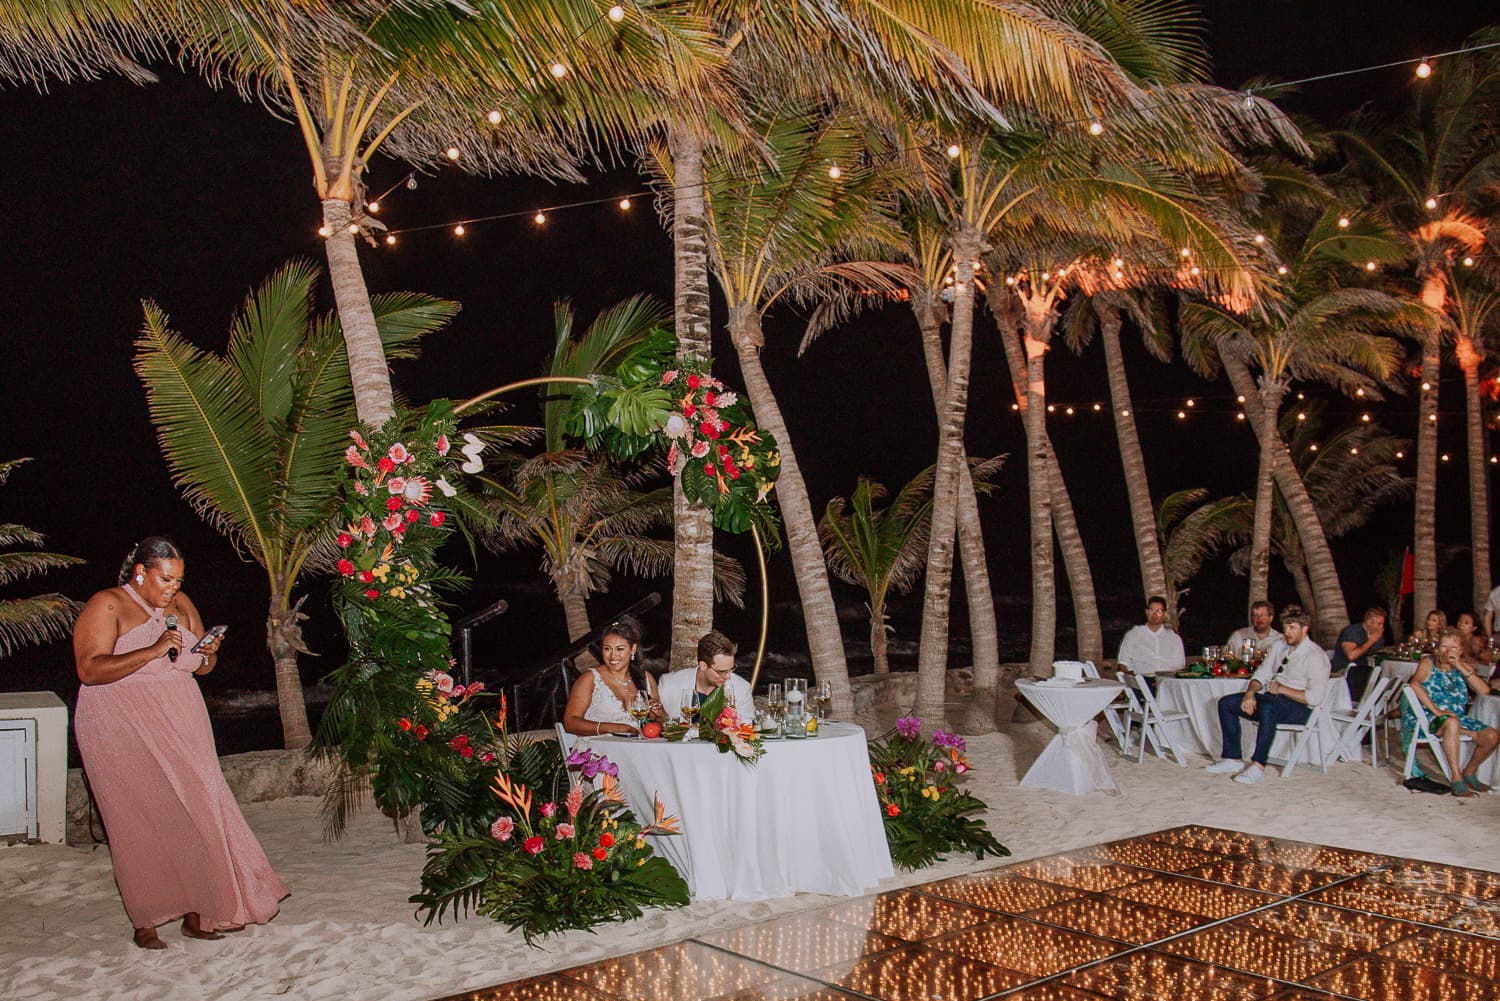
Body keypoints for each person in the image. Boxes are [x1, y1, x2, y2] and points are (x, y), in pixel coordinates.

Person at [72, 537, 288, 950]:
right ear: (141, 573)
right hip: (119, 725)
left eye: (179, 579)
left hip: (182, 720)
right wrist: (153, 650)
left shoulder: (183, 604)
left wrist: (208, 653)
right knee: (137, 820)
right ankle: (146, 920)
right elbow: (89, 669)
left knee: (199, 809)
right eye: (166, 579)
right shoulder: (109, 604)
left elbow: (202, 668)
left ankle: (199, 910)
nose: (173, 587)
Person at [1205, 604, 1330, 785]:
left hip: (1301, 708)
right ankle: (1232, 759)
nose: (1287, 632)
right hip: (1273, 700)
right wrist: (1250, 694)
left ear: (1305, 629)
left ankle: (1258, 766)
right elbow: (1262, 674)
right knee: (1227, 703)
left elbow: (1314, 698)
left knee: (1268, 708)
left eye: (1292, 628)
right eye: (1286, 627)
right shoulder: (1280, 645)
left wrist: (1281, 689)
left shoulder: (1315, 656)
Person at [1401, 628, 1498, 796]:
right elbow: (1414, 684)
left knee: (1492, 736)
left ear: (1460, 650)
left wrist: (1460, 666)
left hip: (1455, 719)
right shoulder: (1428, 662)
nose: (1448, 651)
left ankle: (1469, 772)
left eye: (1453, 647)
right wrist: (1437, 711)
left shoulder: (1463, 667)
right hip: (1429, 718)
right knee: (1451, 722)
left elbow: (1484, 690)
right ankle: (1456, 778)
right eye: (1444, 646)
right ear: (1437, 649)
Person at [562, 615, 664, 737]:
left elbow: (657, 723)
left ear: (633, 649)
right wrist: (614, 728)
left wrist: (659, 715)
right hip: (598, 751)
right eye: (607, 649)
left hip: (635, 748)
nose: (612, 656)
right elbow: (570, 722)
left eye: (619, 649)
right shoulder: (590, 679)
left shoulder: (645, 678)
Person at [656, 630, 755, 720]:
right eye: (722, 672)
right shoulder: (669, 684)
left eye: (731, 669)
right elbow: (658, 723)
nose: (728, 676)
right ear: (703, 665)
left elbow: (745, 727)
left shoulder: (742, 688)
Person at [1115, 596, 1184, 693]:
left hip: (1168, 682)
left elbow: (1179, 667)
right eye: (1151, 610)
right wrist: (1133, 682)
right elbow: (1123, 664)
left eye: (1159, 611)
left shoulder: (1174, 639)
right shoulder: (1134, 634)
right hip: (1143, 681)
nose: (1154, 615)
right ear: (1146, 612)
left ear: (1164, 614)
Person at [1332, 606, 1387, 702]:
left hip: (1361, 669)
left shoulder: (1373, 633)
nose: (1381, 627)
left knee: (1382, 675)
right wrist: (1372, 640)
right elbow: (1351, 656)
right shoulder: (1352, 631)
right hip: (1345, 669)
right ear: (1369, 622)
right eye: (1379, 624)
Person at [1454, 612, 1494, 678]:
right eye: (1460, 621)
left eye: (1466, 623)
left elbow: (1486, 668)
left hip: (1478, 675)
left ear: (1474, 628)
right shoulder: (1455, 638)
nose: (1461, 625)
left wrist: (1466, 661)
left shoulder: (1477, 641)